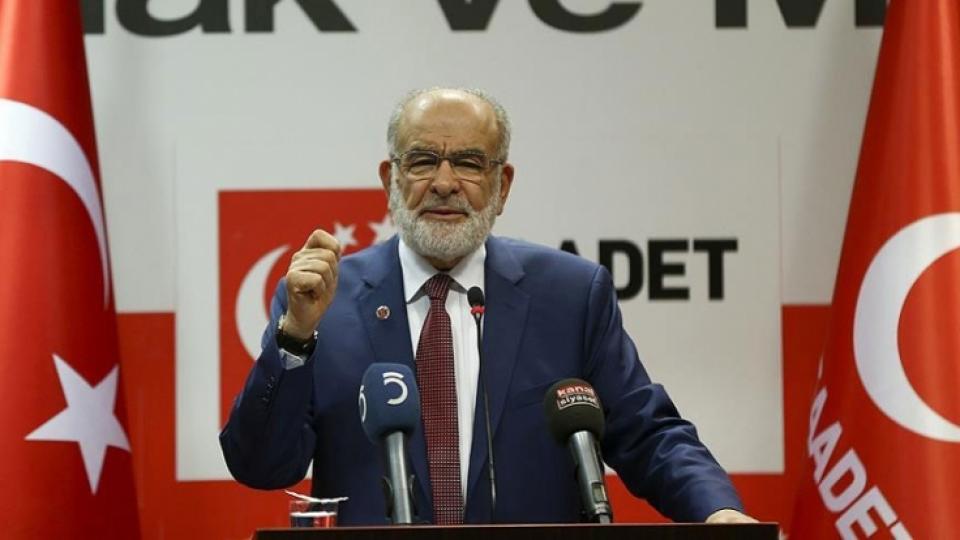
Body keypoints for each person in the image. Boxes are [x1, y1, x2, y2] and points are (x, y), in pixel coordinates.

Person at [220, 87, 756, 525]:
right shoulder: (323, 303)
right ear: (390, 180)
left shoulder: (570, 295)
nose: (445, 183)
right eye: (423, 161)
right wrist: (294, 339)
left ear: (502, 186)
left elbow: (647, 432)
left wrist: (718, 511)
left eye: (470, 164)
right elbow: (261, 466)